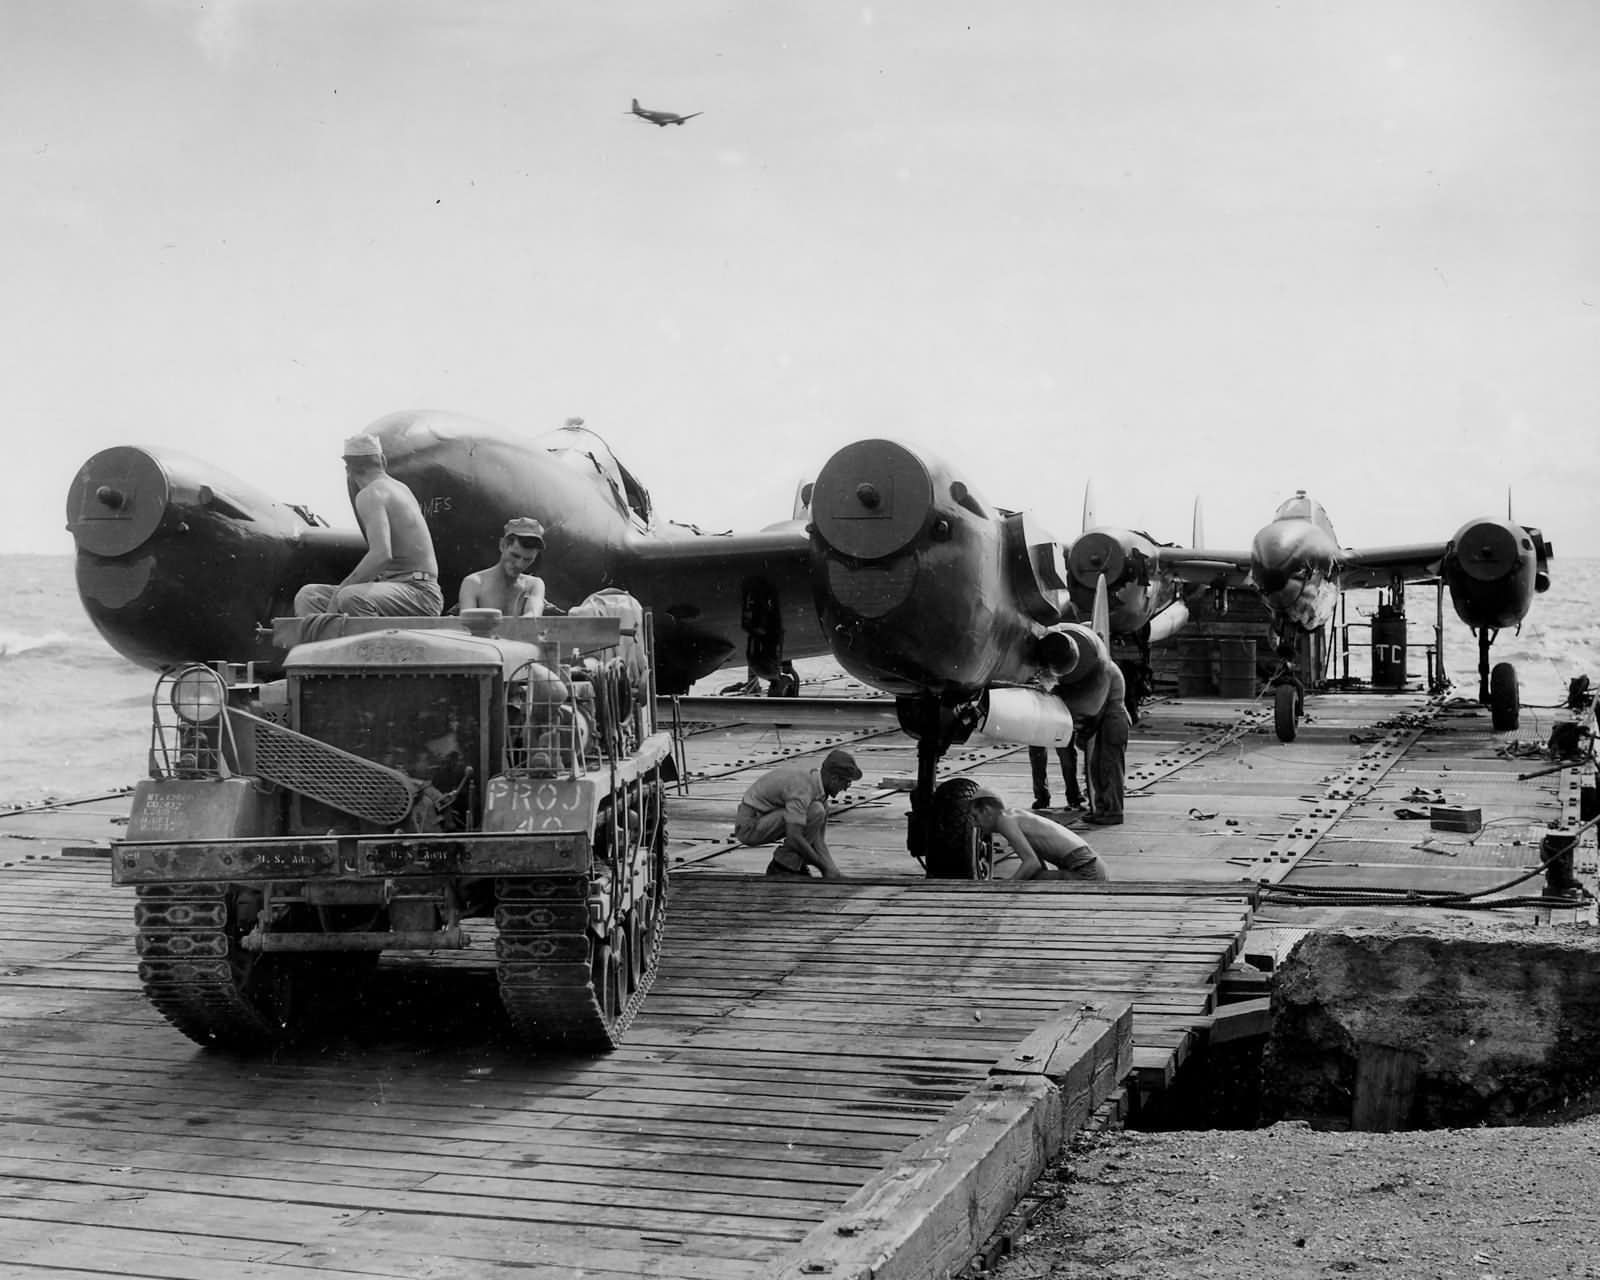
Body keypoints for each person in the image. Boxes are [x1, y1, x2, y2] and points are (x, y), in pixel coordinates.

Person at [294, 434, 442, 617]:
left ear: (348, 469)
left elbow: (381, 555)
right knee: (310, 595)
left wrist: (341, 591)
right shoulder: (399, 488)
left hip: (418, 594)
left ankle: (368, 645)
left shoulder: (370, 495)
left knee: (349, 597)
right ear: (383, 460)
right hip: (408, 591)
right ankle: (323, 644)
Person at [731, 749, 861, 878]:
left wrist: (832, 871)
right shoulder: (802, 789)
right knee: (815, 811)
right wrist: (821, 866)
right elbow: (794, 837)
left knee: (817, 810)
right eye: (847, 782)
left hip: (764, 818)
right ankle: (782, 865)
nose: (845, 788)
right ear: (834, 779)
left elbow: (818, 841)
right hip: (749, 827)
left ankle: (792, 862)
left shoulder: (817, 790)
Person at [967, 786, 1109, 881]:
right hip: (1092, 866)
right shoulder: (1015, 816)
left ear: (986, 810)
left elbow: (1032, 864)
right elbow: (1037, 865)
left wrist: (1005, 888)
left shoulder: (1004, 820)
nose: (974, 824)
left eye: (975, 817)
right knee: (1033, 879)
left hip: (1087, 870)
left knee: (1030, 880)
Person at [459, 518, 548, 617]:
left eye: (527, 559)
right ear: (502, 545)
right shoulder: (475, 583)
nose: (519, 564)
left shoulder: (533, 585)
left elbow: (532, 618)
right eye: (515, 555)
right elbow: (468, 625)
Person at [1082, 661, 1130, 825]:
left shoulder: (1104, 670)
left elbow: (1097, 705)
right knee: (1098, 768)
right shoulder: (1102, 668)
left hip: (1113, 721)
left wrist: (1085, 729)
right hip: (1107, 722)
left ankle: (1114, 811)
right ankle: (1103, 808)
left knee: (1110, 769)